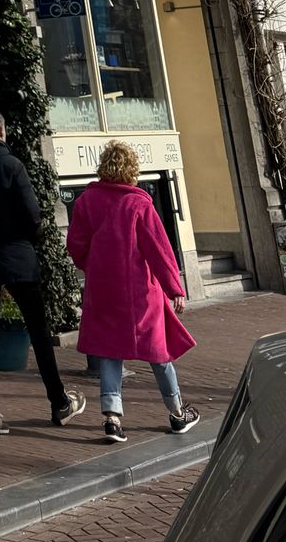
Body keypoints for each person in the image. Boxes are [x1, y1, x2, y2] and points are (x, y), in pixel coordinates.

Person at [0, 108, 85, 437]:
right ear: (2, 131)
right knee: (38, 331)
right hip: (16, 256)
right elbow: (33, 215)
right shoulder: (12, 165)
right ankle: (59, 403)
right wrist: (20, 237)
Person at [66, 141, 201, 443]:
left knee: (109, 351)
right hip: (139, 291)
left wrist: (93, 265)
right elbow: (158, 249)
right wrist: (174, 287)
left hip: (103, 289)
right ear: (131, 170)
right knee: (159, 351)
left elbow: (75, 244)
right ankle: (177, 412)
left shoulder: (87, 201)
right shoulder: (139, 204)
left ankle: (112, 418)